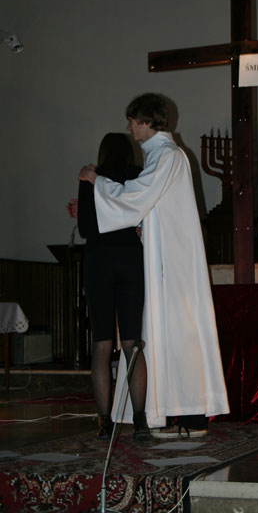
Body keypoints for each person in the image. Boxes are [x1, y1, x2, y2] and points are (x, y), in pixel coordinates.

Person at [79, 93, 229, 436]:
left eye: (132, 121)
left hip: (172, 263)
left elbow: (135, 197)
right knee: (165, 337)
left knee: (180, 335)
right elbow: (149, 205)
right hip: (165, 256)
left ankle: (191, 417)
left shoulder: (167, 155)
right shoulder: (161, 155)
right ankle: (170, 414)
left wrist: (96, 181)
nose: (129, 128)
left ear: (146, 122)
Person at [77, 132, 151, 442]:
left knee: (102, 344)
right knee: (133, 343)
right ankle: (140, 422)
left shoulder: (91, 175)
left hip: (99, 263)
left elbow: (85, 228)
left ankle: (105, 423)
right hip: (131, 261)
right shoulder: (138, 176)